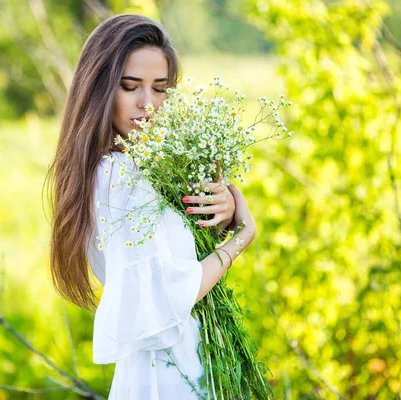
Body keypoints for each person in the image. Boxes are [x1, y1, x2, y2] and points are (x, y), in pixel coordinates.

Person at [46, 14, 257, 399]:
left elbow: (178, 251)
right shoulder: (117, 176)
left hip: (189, 362)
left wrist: (226, 202)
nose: (148, 104)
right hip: (167, 374)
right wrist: (241, 238)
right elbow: (171, 292)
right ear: (99, 89)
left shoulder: (143, 167)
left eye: (160, 89)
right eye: (130, 87)